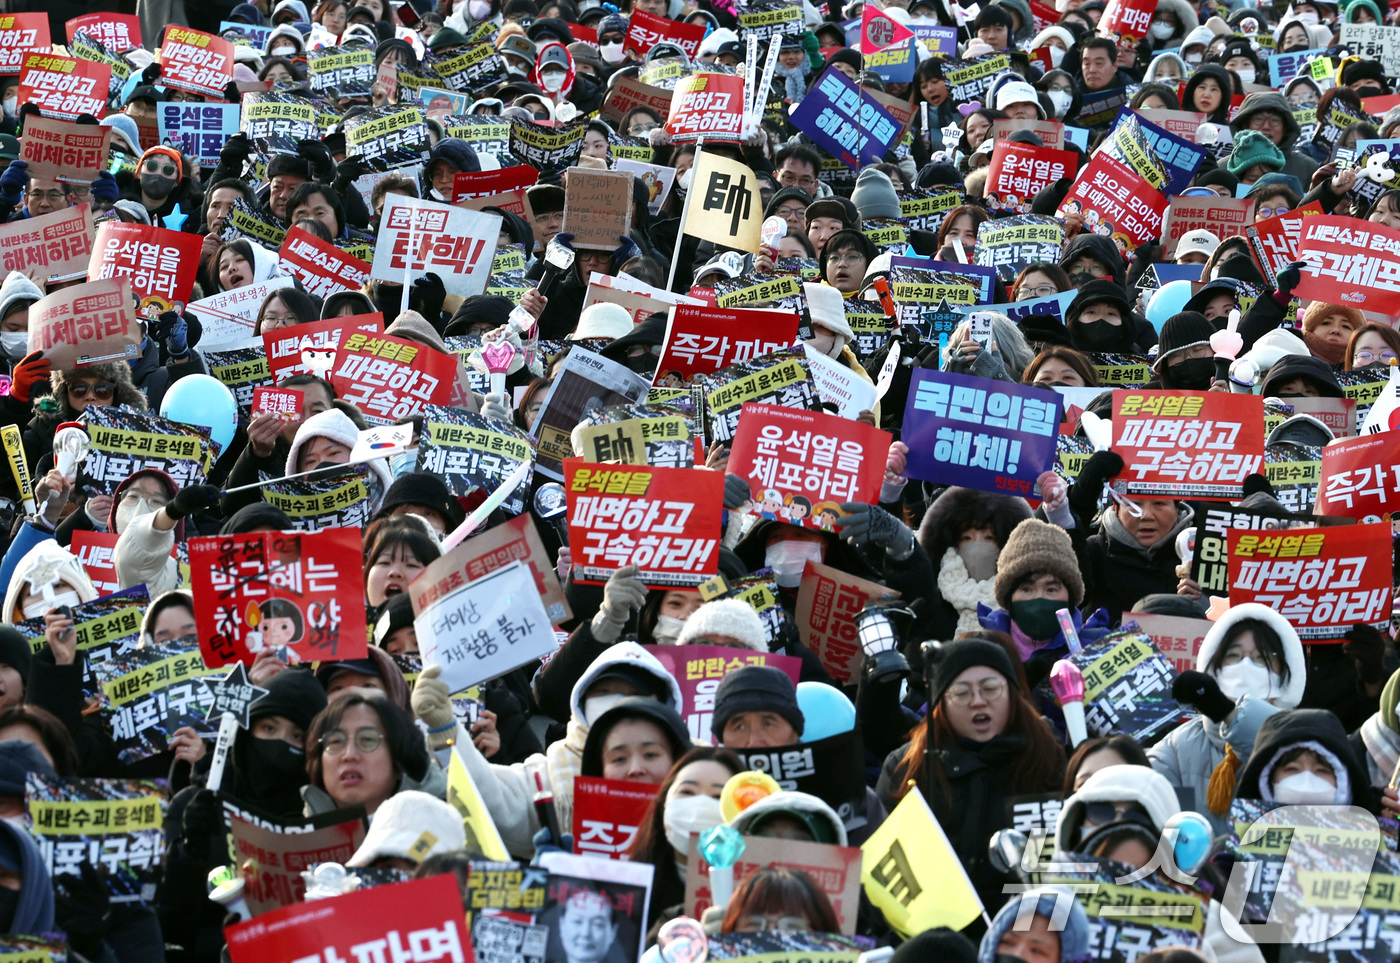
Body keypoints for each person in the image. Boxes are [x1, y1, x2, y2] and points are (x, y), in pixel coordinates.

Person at [876, 638, 1064, 910]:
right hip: (934, 925)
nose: (978, 702)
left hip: (1023, 927)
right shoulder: (908, 766)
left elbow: (1055, 866)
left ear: (1013, 695)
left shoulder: (1047, 757)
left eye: (990, 689)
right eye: (961, 693)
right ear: (941, 703)